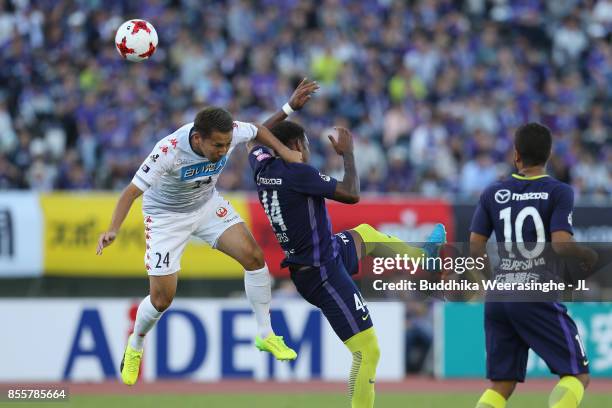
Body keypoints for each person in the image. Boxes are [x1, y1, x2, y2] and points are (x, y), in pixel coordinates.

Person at [95, 79, 319, 386]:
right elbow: (129, 194)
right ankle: (135, 343)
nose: (225, 150)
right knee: (162, 300)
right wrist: (112, 230)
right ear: (198, 139)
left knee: (255, 258)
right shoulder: (168, 151)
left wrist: (284, 144)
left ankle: (266, 334)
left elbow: (257, 129)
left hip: (206, 206)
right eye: (218, 146)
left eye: (228, 144)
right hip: (166, 218)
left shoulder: (227, 133)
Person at [247, 120, 446, 408]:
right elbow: (351, 193)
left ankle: (422, 257)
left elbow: (254, 136)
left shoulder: (263, 167)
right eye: (305, 144)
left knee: (366, 235)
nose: (307, 150)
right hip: (322, 273)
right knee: (368, 351)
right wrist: (348, 154)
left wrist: (288, 109)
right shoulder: (298, 173)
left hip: (324, 254)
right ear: (295, 147)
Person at [470, 123, 598, 408]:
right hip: (535, 292)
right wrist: (587, 254)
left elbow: (476, 246)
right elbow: (562, 244)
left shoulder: (493, 192)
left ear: (516, 155)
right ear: (549, 155)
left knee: (501, 384)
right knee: (578, 375)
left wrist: (493, 282)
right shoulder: (559, 191)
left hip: (499, 295)